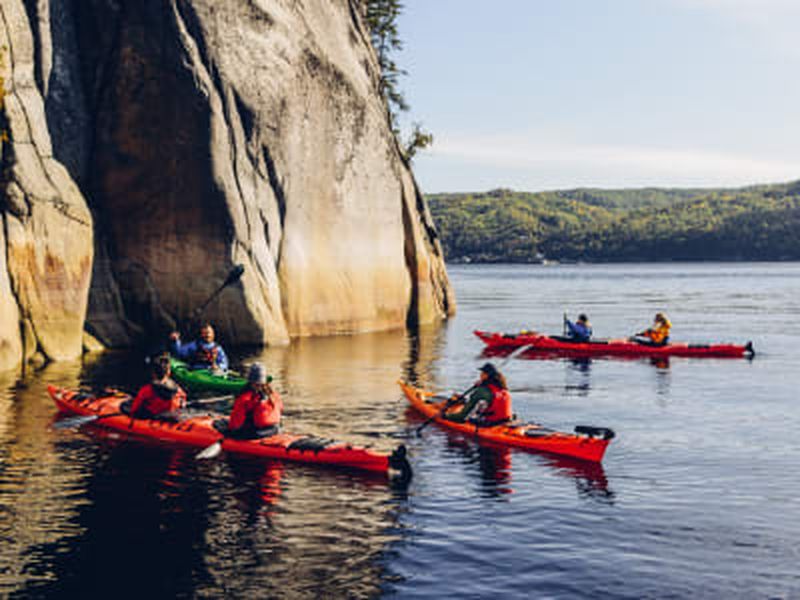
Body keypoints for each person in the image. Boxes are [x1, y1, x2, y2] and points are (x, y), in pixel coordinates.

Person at [217, 363, 282, 439]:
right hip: (275, 429)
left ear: (250, 381)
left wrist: (229, 432)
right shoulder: (274, 395)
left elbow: (235, 423)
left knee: (220, 426)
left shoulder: (246, 398)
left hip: (257, 434)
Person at [445, 363, 513, 425]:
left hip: (492, 422)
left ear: (486, 375)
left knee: (470, 417)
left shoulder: (482, 391)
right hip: (506, 420)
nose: (480, 375)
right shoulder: (503, 388)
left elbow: (461, 417)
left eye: (482, 373)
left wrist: (445, 416)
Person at [129, 355, 186, 420]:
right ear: (168, 372)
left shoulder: (147, 390)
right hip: (172, 415)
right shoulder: (177, 388)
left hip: (155, 416)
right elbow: (183, 399)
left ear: (153, 373)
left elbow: (134, 409)